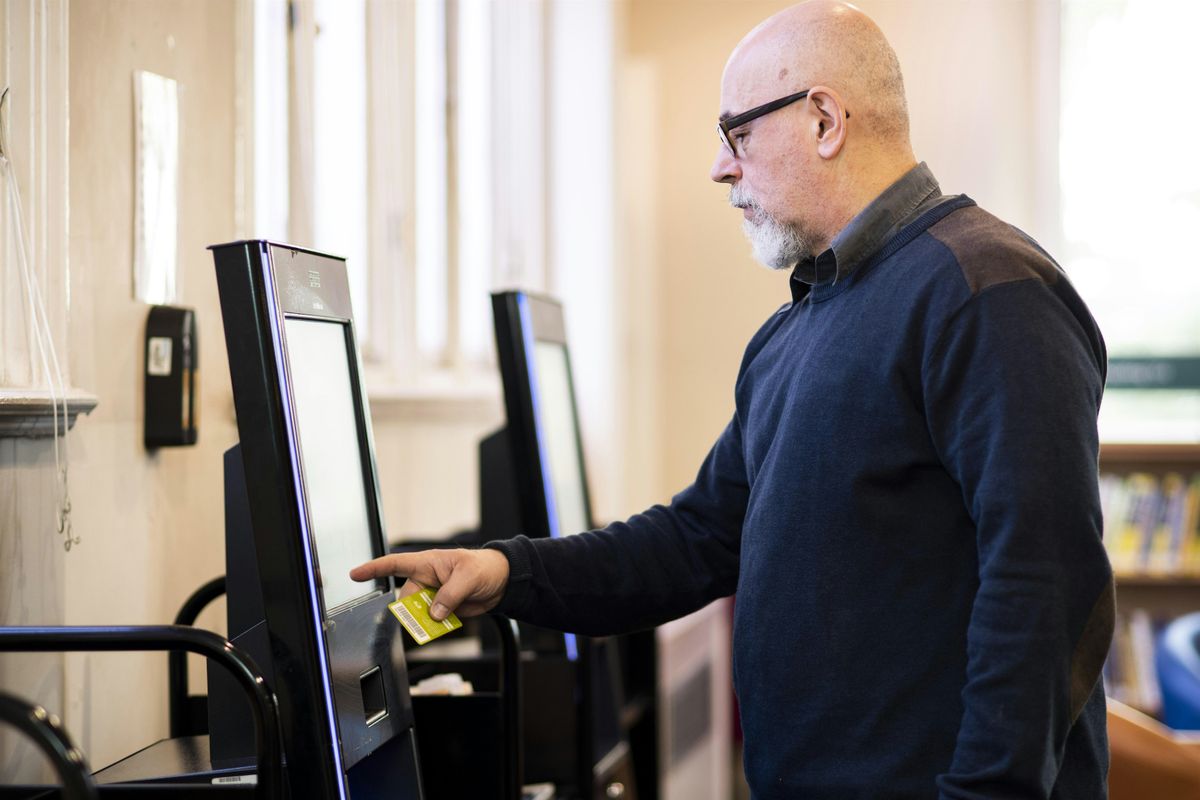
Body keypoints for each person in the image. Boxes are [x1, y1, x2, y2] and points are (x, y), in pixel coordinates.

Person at [351, 2, 1114, 797]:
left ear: (824, 120)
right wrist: (507, 572)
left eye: (737, 134)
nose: (721, 167)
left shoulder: (988, 291)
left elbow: (1047, 585)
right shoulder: (797, 329)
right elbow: (698, 540)